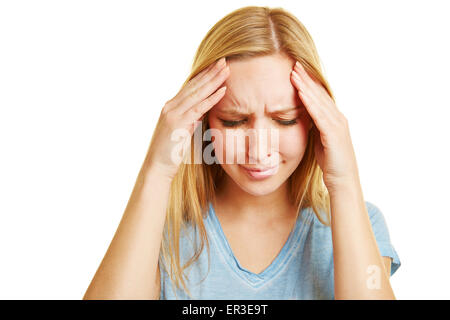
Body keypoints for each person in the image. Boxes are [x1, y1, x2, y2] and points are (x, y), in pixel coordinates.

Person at [83, 6, 401, 300]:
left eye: (284, 119)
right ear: (202, 120)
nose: (259, 149)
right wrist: (157, 169)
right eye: (234, 122)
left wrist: (344, 180)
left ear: (316, 121)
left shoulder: (360, 222)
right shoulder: (161, 227)